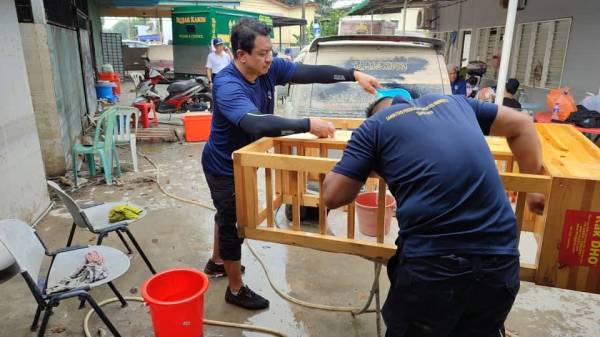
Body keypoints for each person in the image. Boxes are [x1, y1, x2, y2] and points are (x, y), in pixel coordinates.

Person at [322, 92, 545, 337]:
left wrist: (364, 162)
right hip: (501, 260)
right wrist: (534, 188)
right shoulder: (456, 103)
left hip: (434, 267)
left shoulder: (373, 127)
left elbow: (332, 196)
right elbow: (523, 124)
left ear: (378, 112)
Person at [201, 18, 380, 310]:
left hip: (241, 160)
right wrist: (307, 123)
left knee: (226, 213)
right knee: (233, 221)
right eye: (262, 53)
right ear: (240, 55)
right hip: (223, 165)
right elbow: (255, 123)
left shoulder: (268, 69)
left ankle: (218, 261)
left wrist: (353, 73)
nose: (269, 58)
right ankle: (234, 289)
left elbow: (311, 72)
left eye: (270, 51)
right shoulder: (227, 83)